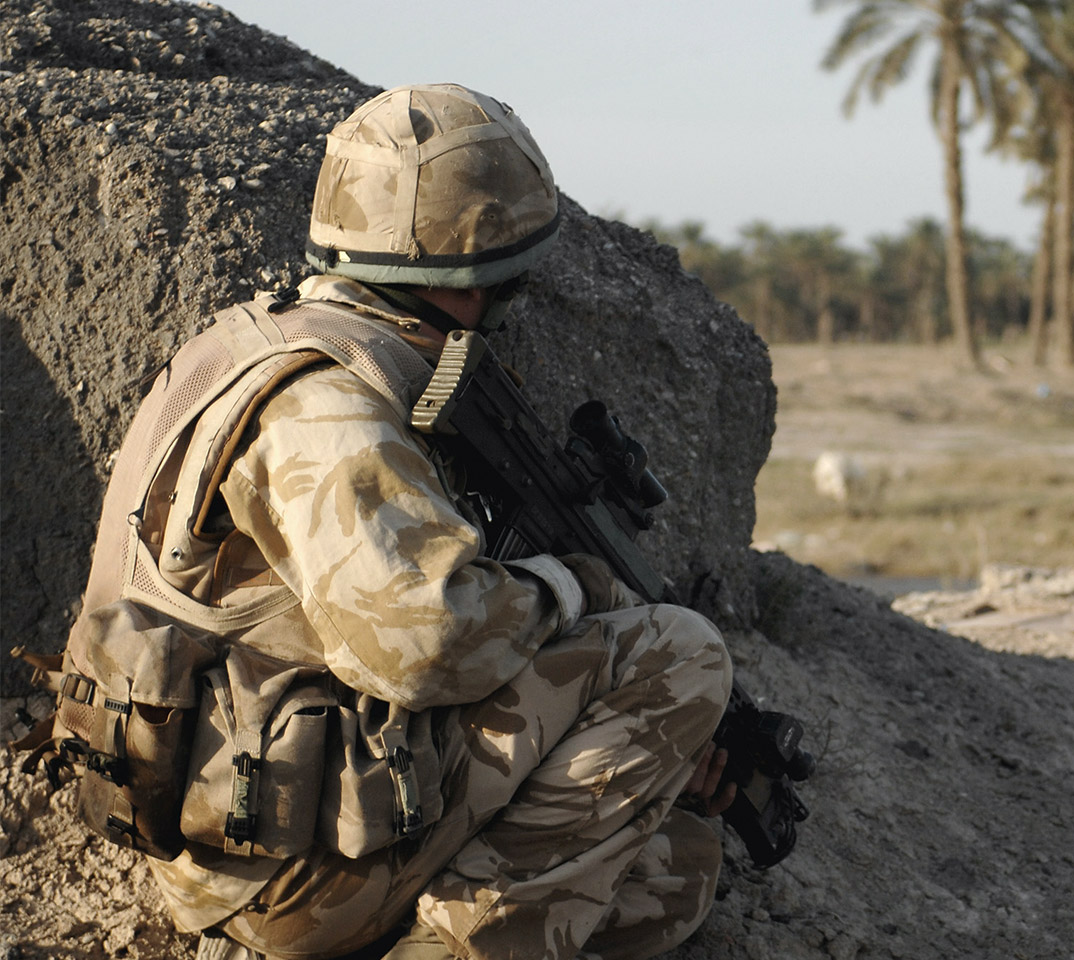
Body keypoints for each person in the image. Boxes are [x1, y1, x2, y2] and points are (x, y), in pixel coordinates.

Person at [59, 84, 734, 960]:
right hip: (289, 867)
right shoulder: (331, 410)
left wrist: (658, 759)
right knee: (682, 655)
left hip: (231, 827)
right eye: (509, 279)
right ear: (471, 276)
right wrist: (572, 588)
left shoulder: (254, 343)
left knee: (674, 875)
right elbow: (430, 643)